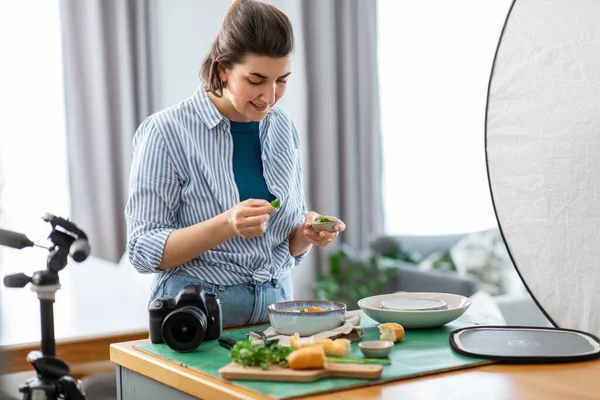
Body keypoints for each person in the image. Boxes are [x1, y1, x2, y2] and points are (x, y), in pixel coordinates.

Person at [125, 0, 345, 329]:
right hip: (197, 316)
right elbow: (142, 251)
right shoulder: (167, 133)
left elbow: (282, 244)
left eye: (281, 80)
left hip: (277, 313)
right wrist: (227, 224)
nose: (269, 97)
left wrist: (305, 234)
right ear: (223, 68)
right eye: (255, 80)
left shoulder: (282, 126)